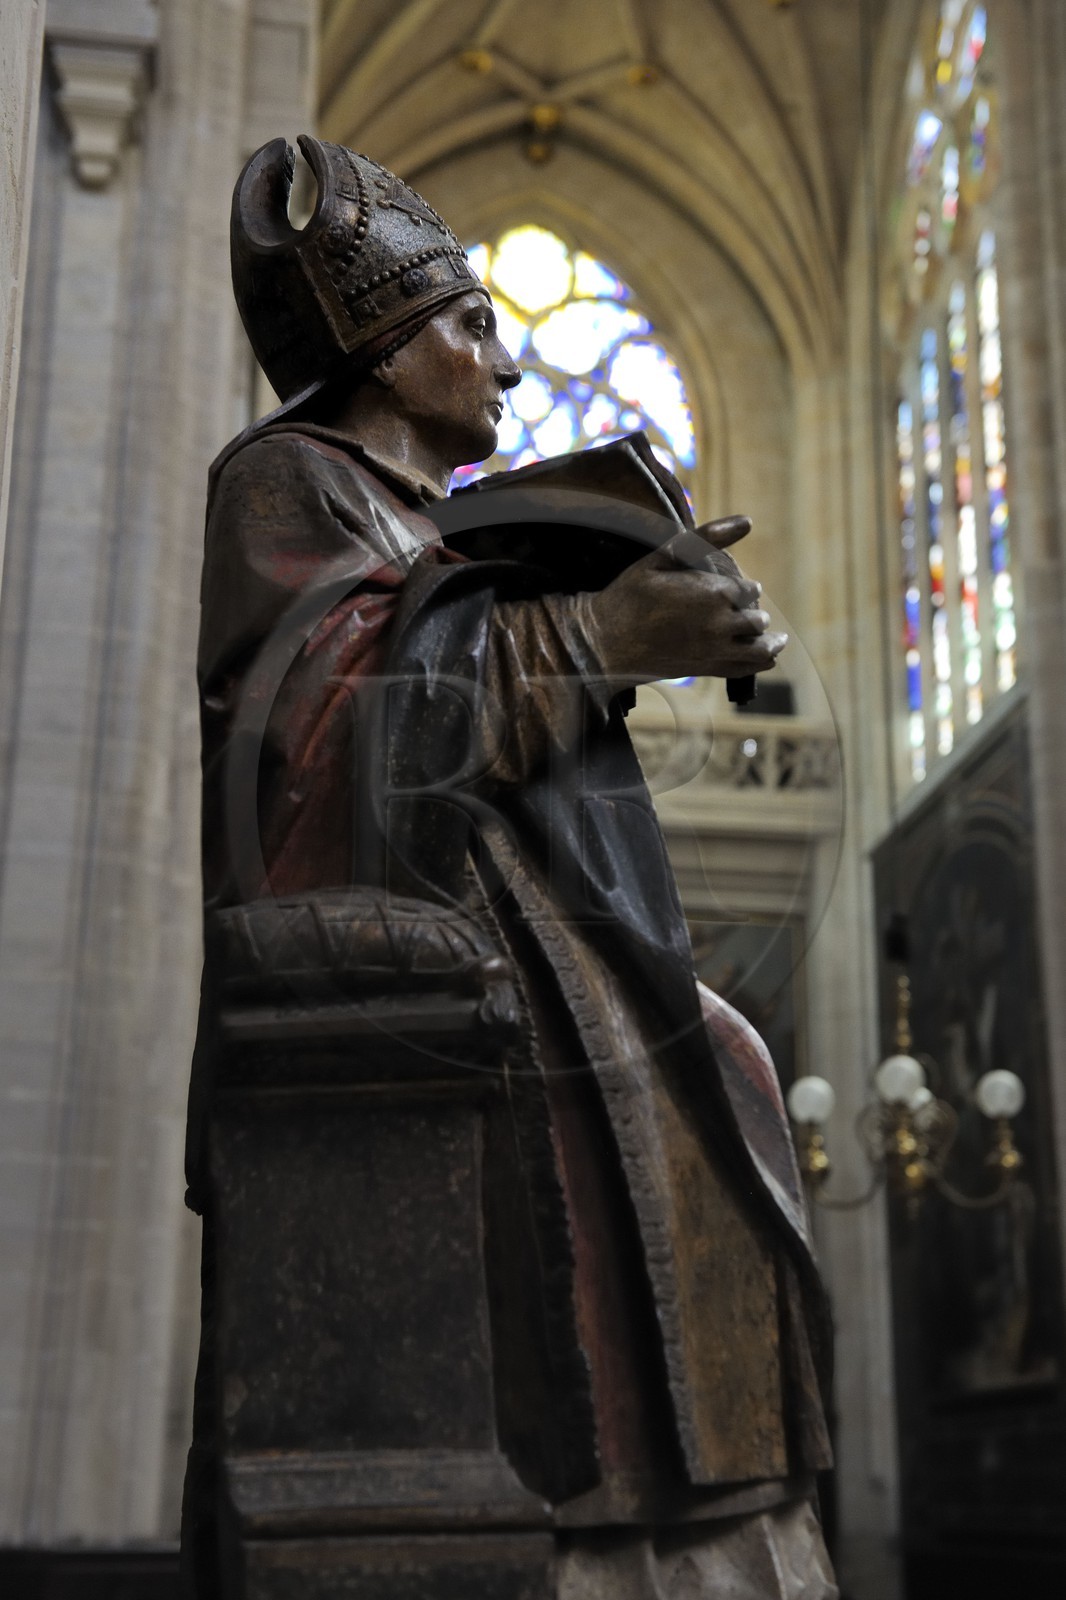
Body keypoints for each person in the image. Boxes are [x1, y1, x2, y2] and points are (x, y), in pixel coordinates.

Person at [184, 134, 838, 1599]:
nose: (509, 362)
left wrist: (646, 621)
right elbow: (325, 734)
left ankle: (700, 1529)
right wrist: (603, 635)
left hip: (532, 927)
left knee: (725, 1072)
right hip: (431, 964)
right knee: (662, 1118)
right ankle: (616, 1540)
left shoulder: (426, 521)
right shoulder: (286, 480)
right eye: (472, 325)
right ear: (382, 347)